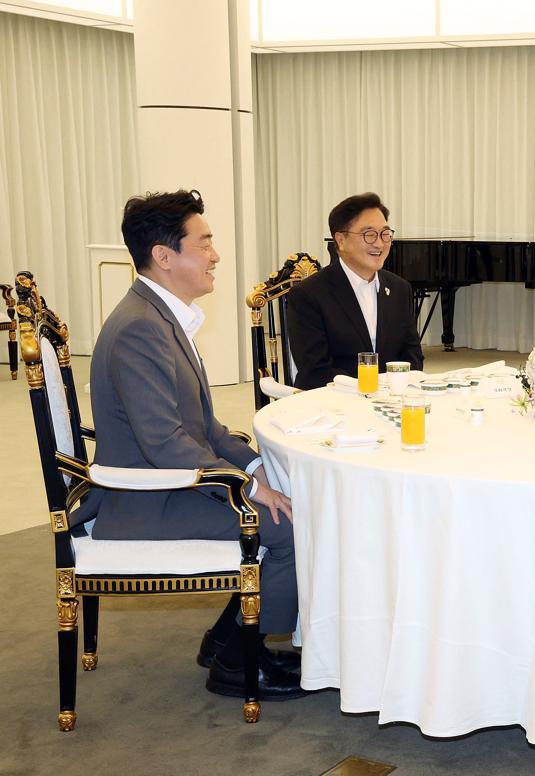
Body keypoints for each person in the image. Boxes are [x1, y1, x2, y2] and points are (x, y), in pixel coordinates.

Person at [85, 190, 305, 700]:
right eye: (203, 243)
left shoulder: (159, 316)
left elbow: (204, 427)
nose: (215, 255)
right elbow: (166, 444)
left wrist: (258, 466)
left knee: (288, 500)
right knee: (292, 527)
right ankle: (238, 662)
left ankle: (225, 637)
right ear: (164, 256)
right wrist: (250, 489)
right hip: (145, 501)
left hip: (165, 486)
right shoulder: (140, 329)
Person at [287, 192, 423, 389]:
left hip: (391, 397)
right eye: (369, 234)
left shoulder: (399, 288)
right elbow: (315, 370)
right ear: (341, 240)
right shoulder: (308, 295)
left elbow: (413, 356)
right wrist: (370, 387)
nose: (379, 243)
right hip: (334, 399)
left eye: (385, 234)